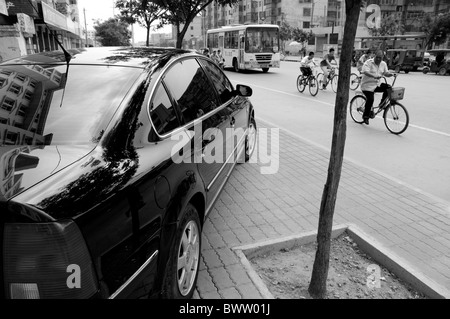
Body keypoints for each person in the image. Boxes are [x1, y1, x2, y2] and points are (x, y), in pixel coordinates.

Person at [360, 50, 394, 125]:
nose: (378, 59)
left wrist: (391, 74)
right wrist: (374, 76)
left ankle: (382, 104)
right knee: (370, 99)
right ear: (374, 56)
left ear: (382, 58)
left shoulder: (383, 64)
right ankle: (365, 116)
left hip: (376, 85)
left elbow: (386, 73)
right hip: (367, 85)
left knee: (388, 88)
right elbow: (365, 72)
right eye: (377, 57)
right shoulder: (368, 62)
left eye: (380, 58)